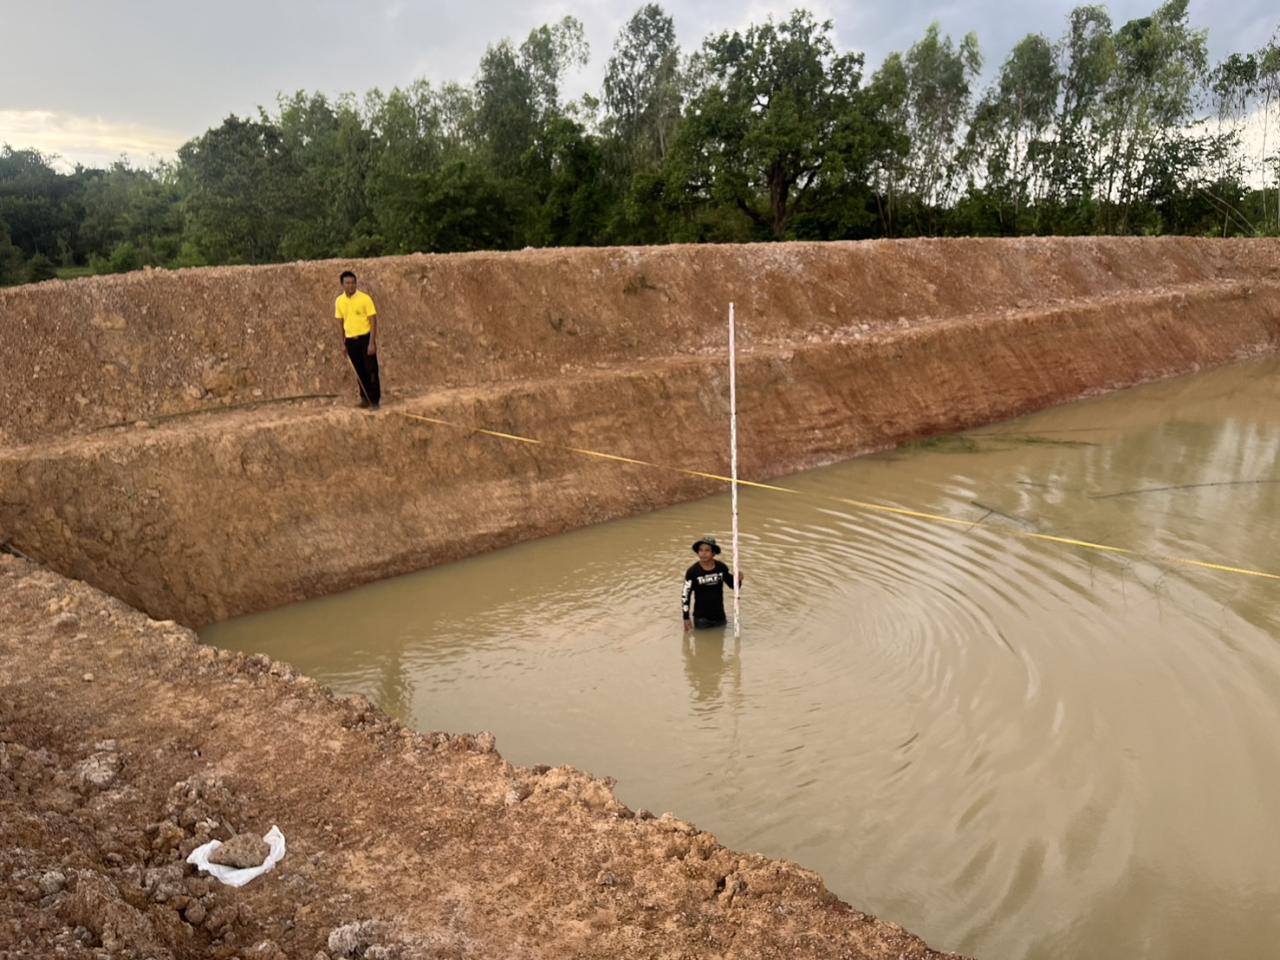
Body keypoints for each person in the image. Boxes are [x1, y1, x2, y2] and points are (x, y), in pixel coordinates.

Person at [335, 270, 381, 409]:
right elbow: (340, 322)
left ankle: (374, 400)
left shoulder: (365, 298)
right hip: (350, 340)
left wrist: (372, 342)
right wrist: (342, 343)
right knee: (359, 370)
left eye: (353, 283)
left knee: (371, 369)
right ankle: (364, 398)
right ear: (342, 285)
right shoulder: (339, 301)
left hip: (365, 338)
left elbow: (373, 320)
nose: (351, 285)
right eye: (347, 283)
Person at [681, 536, 743, 631]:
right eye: (701, 550)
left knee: (719, 643)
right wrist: (686, 618)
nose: (703, 553)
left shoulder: (721, 568)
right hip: (701, 619)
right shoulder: (692, 572)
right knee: (702, 644)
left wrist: (738, 579)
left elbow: (734, 587)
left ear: (713, 553)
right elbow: (685, 596)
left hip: (720, 616)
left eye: (707, 550)